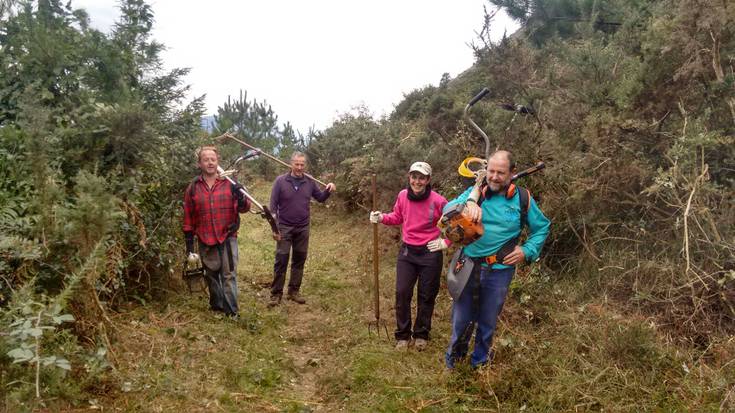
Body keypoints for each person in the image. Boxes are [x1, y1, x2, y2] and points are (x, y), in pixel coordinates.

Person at [444, 150, 550, 369]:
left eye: (500, 172)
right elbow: (446, 210)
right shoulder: (476, 192)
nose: (494, 177)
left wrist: (527, 250)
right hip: (468, 265)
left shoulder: (522, 198)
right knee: (461, 318)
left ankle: (479, 363)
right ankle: (454, 361)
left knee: (488, 319)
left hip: (499, 270)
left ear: (512, 173)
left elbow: (542, 227)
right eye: (491, 171)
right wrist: (467, 205)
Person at [370, 162, 450, 351]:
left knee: (427, 295)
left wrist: (446, 242)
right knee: (402, 293)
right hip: (408, 252)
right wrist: (381, 218)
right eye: (414, 177)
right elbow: (398, 217)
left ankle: (421, 334)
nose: (417, 181)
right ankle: (403, 336)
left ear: (428, 180)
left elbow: (457, 224)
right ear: (409, 177)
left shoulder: (439, 201)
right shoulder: (403, 196)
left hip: (430, 252)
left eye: (421, 177)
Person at [183, 146, 250, 318]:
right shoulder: (193, 188)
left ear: (217, 161)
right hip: (205, 237)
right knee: (211, 274)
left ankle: (231, 312)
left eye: (213, 159)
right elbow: (189, 215)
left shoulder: (230, 184)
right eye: (206, 159)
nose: (210, 162)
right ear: (199, 164)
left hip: (227, 237)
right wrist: (189, 243)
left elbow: (245, 208)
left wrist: (241, 196)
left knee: (229, 275)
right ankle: (217, 305)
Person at [268, 152, 336, 307]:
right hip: (284, 227)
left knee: (299, 260)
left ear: (305, 165)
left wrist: (329, 190)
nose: (299, 167)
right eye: (296, 164)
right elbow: (272, 207)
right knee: (281, 261)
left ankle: (293, 291)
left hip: (303, 228)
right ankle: (276, 294)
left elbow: (320, 198)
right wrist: (274, 228)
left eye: (302, 164)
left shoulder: (310, 181)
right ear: (291, 164)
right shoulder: (280, 181)